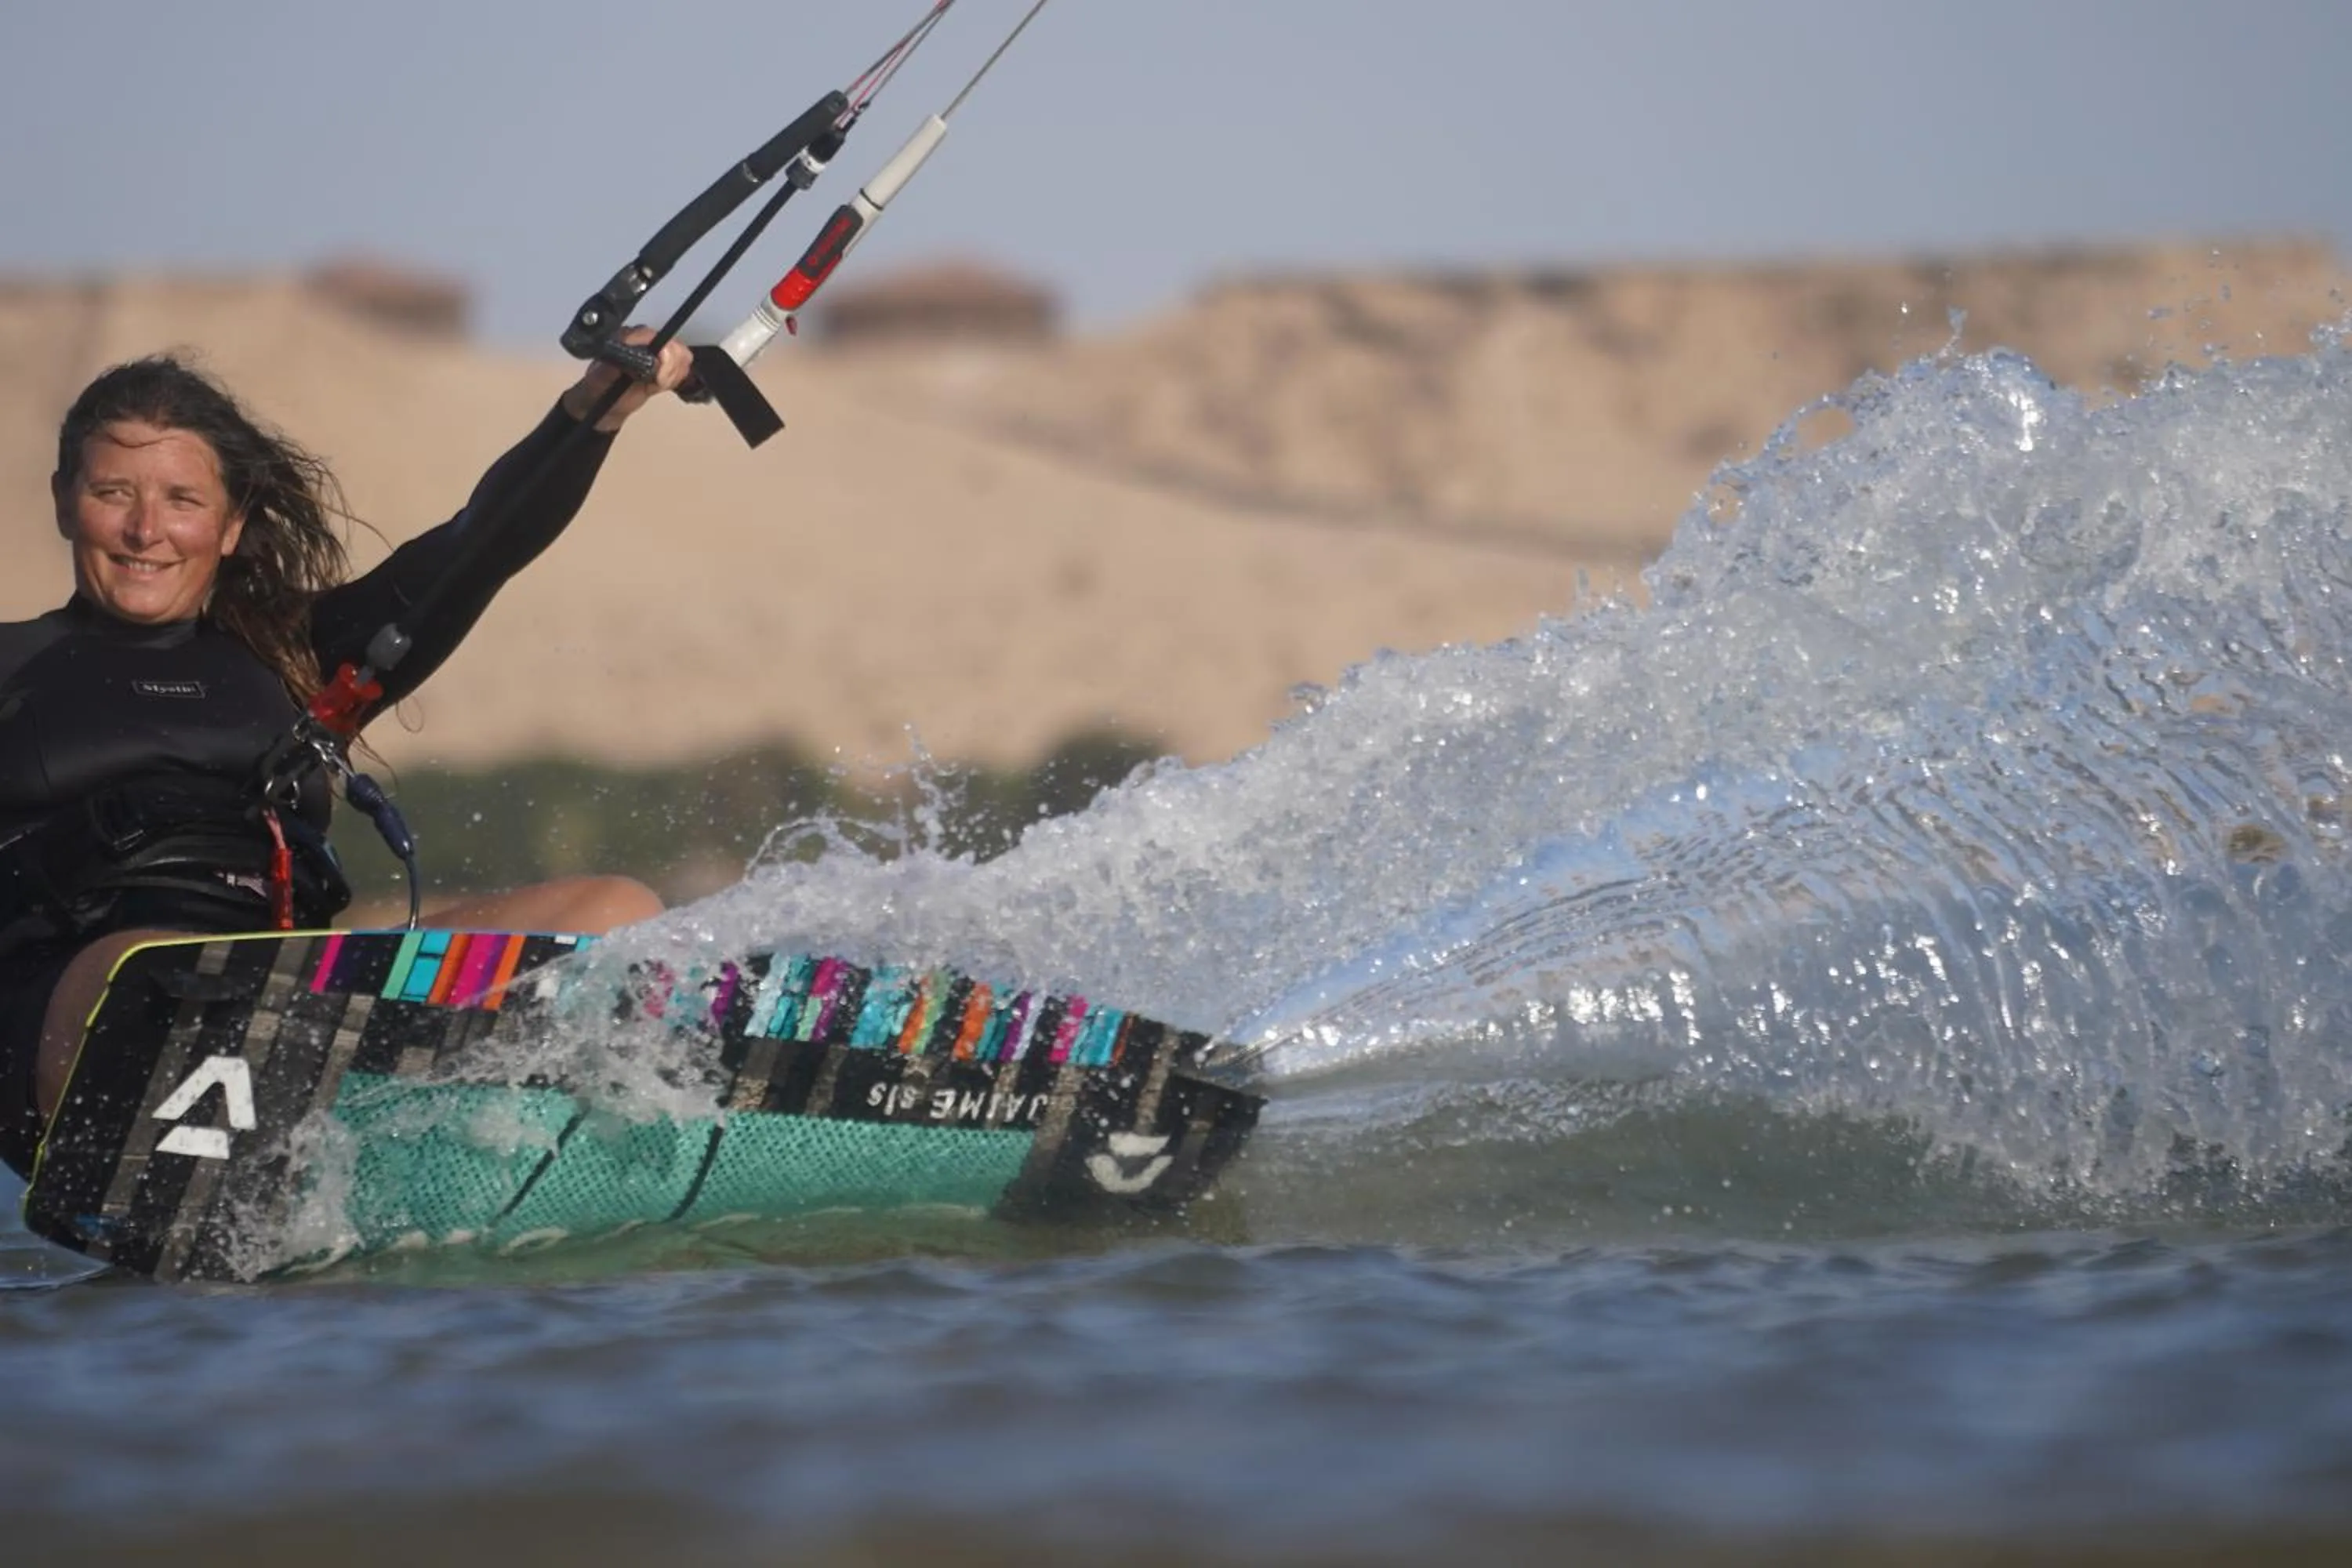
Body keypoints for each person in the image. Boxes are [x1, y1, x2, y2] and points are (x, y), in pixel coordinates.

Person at [0, 336, 694, 1178]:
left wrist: (593, 413)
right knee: (158, 969)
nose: (147, 528)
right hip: (77, 1011)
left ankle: (608, 1157)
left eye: (182, 498)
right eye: (114, 492)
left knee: (614, 912)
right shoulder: (14, 668)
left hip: (290, 996)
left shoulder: (297, 656)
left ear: (232, 524)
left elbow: (473, 551)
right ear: (66, 501)